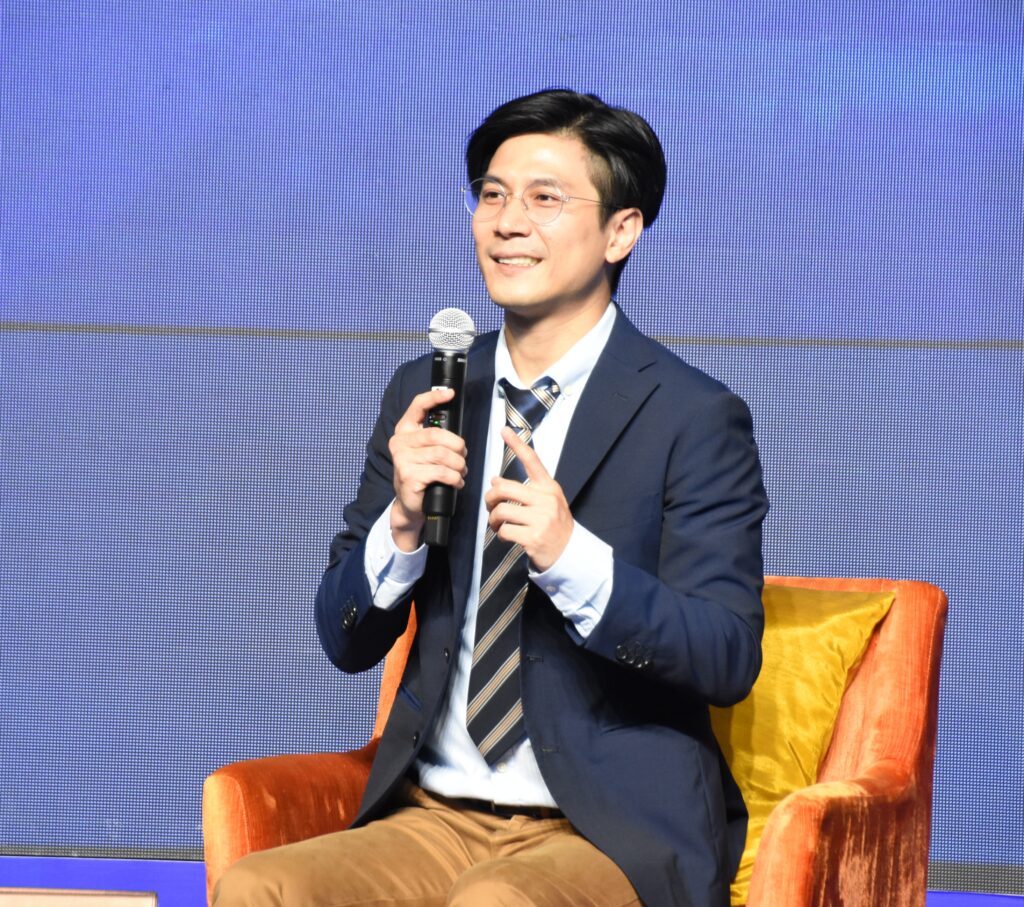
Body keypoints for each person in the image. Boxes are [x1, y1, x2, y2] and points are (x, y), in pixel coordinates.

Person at [215, 88, 768, 907]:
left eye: (545, 199)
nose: (507, 222)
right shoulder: (431, 389)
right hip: (433, 815)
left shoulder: (692, 415)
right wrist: (402, 527)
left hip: (608, 828)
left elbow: (725, 654)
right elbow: (344, 638)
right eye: (492, 195)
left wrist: (570, 557)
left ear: (622, 230)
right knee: (260, 887)